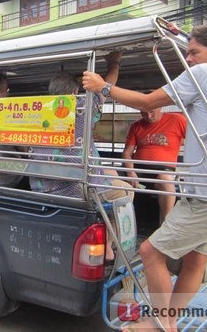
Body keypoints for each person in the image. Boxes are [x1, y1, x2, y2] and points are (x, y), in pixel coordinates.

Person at [82, 23, 207, 331]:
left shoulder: (206, 75)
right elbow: (129, 151)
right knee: (195, 259)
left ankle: (160, 323)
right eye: (187, 53)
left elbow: (148, 101)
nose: (188, 59)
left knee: (150, 252)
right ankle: (169, 320)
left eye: (194, 52)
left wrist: (103, 87)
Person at [30, 52, 132, 261]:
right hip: (76, 187)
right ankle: (109, 245)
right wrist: (114, 62)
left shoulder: (37, 113)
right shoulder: (81, 109)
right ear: (76, 92)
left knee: (109, 176)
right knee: (127, 192)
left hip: (41, 185)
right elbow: (107, 85)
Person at [122, 104, 186, 222]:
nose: (148, 116)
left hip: (163, 170)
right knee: (115, 180)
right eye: (144, 113)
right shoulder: (136, 126)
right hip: (139, 173)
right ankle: (125, 225)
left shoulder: (177, 120)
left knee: (165, 180)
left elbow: (196, 139)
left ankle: (165, 226)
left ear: (160, 107)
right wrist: (131, 173)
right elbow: (127, 153)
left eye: (152, 112)